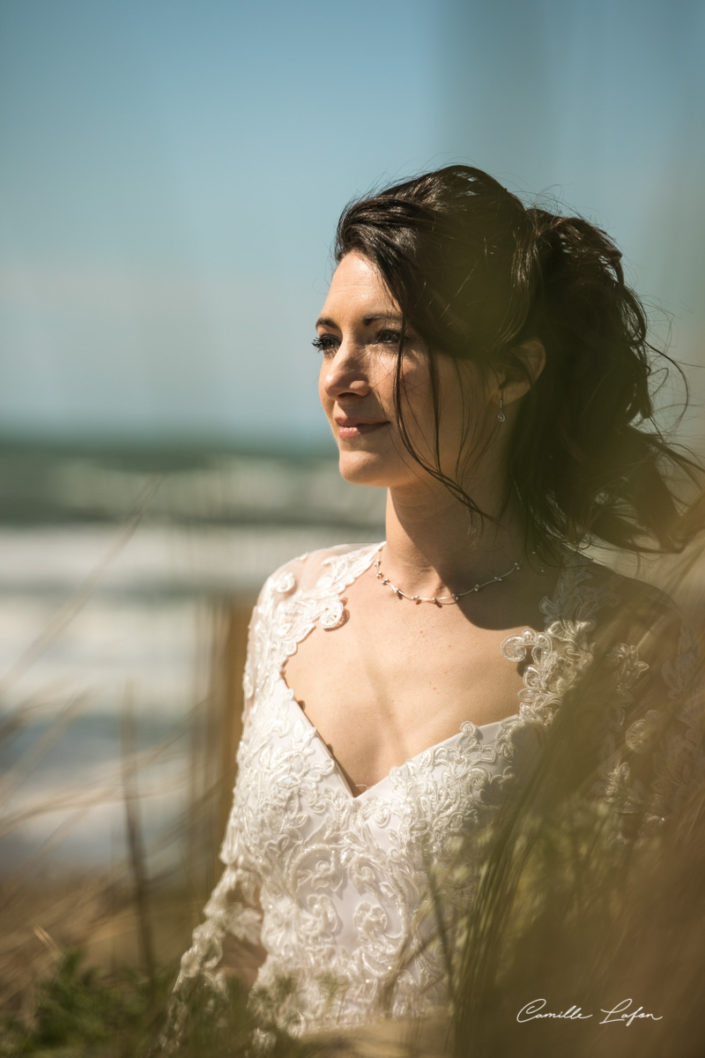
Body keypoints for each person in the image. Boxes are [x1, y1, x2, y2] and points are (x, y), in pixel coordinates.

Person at [164, 166, 705, 1053]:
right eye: (326, 340)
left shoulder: (622, 644)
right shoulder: (291, 604)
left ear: (512, 373)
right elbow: (238, 932)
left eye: (383, 338)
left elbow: (630, 985)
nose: (340, 375)